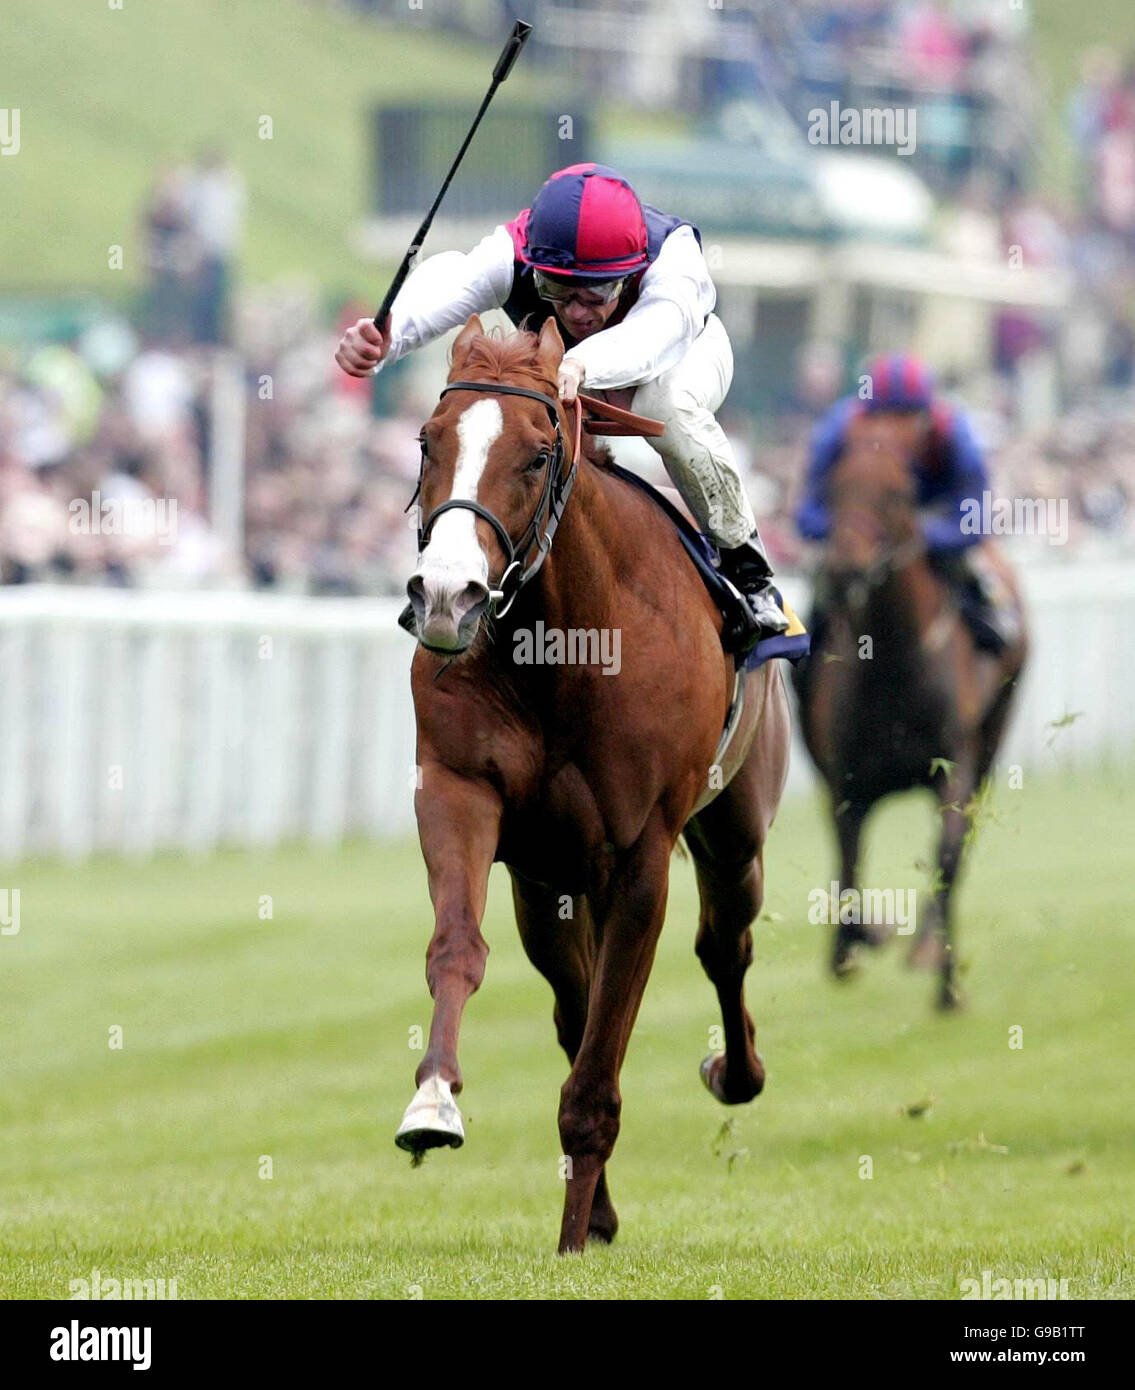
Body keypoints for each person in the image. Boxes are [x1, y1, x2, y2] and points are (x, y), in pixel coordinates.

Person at [335, 162, 787, 652]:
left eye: (597, 293)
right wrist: (387, 337)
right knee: (491, 412)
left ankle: (748, 565)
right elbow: (456, 283)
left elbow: (656, 335)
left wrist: (582, 363)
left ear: (630, 273)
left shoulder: (674, 260)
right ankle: (449, 567)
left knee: (669, 407)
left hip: (679, 355)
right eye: (556, 291)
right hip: (563, 367)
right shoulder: (515, 249)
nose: (576, 312)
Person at [796, 353, 1014, 653]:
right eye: (881, 419)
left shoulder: (957, 438)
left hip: (932, 520)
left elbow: (972, 526)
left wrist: (908, 533)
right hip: (864, 531)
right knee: (825, 586)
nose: (891, 433)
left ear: (925, 417)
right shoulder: (836, 432)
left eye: (904, 419)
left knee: (974, 577)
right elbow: (807, 516)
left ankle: (992, 632)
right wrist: (853, 531)